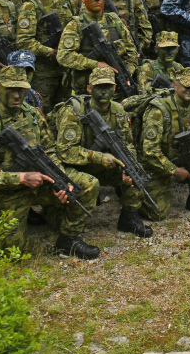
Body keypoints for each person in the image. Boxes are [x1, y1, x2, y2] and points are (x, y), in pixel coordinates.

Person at [0, 66, 100, 258]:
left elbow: (50, 150)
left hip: (39, 181)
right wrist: (21, 178)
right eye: (11, 89)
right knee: (12, 253)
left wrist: (60, 179)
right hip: (5, 191)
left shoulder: (32, 114)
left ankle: (68, 239)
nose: (17, 95)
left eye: (22, 89)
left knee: (87, 185)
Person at [53, 67, 152, 238]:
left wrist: (127, 167)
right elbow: (64, 151)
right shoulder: (75, 111)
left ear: (114, 88)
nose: (104, 91)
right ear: (90, 88)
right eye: (99, 87)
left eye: (108, 87)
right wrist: (98, 157)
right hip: (74, 168)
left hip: (104, 166)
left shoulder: (118, 110)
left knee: (136, 172)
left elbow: (128, 144)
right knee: (55, 220)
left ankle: (129, 217)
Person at [138, 67, 190, 218]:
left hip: (183, 156)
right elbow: (149, 151)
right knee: (157, 214)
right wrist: (175, 171)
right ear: (175, 85)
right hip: (156, 163)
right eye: (186, 86)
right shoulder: (159, 110)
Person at [57, 0, 139, 97]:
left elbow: (132, 53)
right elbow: (64, 56)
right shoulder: (76, 25)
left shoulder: (115, 21)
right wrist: (95, 64)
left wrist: (127, 73)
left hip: (117, 90)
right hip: (86, 92)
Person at [16, 0, 76, 106]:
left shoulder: (67, 2)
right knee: (42, 113)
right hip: (43, 74)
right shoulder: (32, 4)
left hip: (65, 72)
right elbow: (23, 41)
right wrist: (49, 52)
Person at [138, 31, 190, 101]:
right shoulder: (148, 67)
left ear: (177, 49)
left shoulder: (178, 67)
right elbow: (144, 93)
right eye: (165, 48)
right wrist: (171, 91)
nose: (169, 52)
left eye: (172, 48)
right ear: (156, 49)